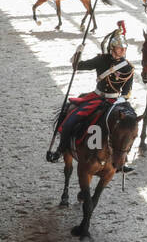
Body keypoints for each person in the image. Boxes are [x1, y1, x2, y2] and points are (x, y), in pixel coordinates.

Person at [46, 21, 136, 167]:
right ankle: (60, 150)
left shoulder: (128, 68)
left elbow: (126, 92)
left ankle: (123, 160)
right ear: (112, 49)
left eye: (124, 49)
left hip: (116, 102)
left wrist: (118, 101)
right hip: (97, 97)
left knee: (129, 126)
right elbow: (78, 66)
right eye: (119, 49)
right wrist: (78, 53)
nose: (122, 51)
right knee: (70, 119)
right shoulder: (101, 60)